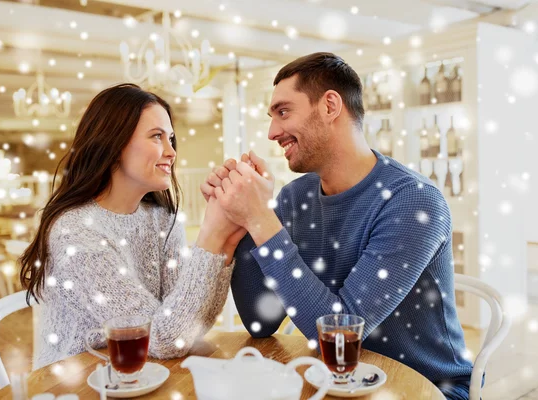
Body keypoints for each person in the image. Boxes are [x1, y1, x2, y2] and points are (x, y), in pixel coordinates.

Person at [201, 53, 473, 399]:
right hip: (335, 382)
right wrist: (239, 218)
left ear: (330, 106)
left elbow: (342, 333)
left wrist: (261, 219)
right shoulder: (294, 197)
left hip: (424, 388)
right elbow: (259, 321)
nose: (272, 133)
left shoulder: (414, 203)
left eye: (283, 112)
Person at [20, 83, 246, 369]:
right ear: (113, 145)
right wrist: (211, 235)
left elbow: (187, 327)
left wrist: (226, 239)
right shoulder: (76, 233)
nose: (171, 152)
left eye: (171, 139)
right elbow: (163, 340)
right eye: (156, 137)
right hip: (78, 385)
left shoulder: (162, 219)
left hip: (142, 376)